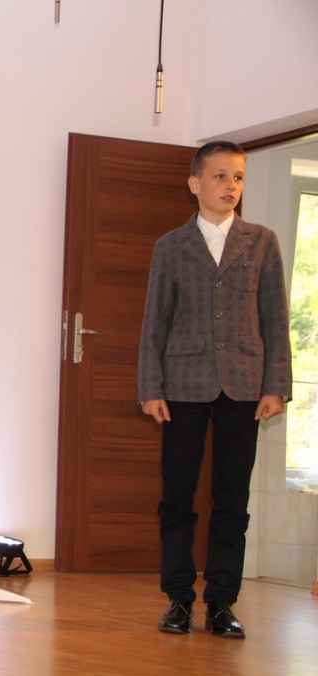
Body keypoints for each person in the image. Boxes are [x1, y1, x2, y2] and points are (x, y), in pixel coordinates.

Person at [138, 140, 292, 639]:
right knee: (177, 496)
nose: (231, 186)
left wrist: (276, 386)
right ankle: (179, 599)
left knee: (232, 498)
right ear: (195, 183)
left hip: (244, 386)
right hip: (183, 385)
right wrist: (150, 386)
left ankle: (222, 601)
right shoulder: (170, 245)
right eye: (221, 176)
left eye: (238, 177)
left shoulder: (261, 241)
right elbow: (154, 322)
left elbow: (276, 318)